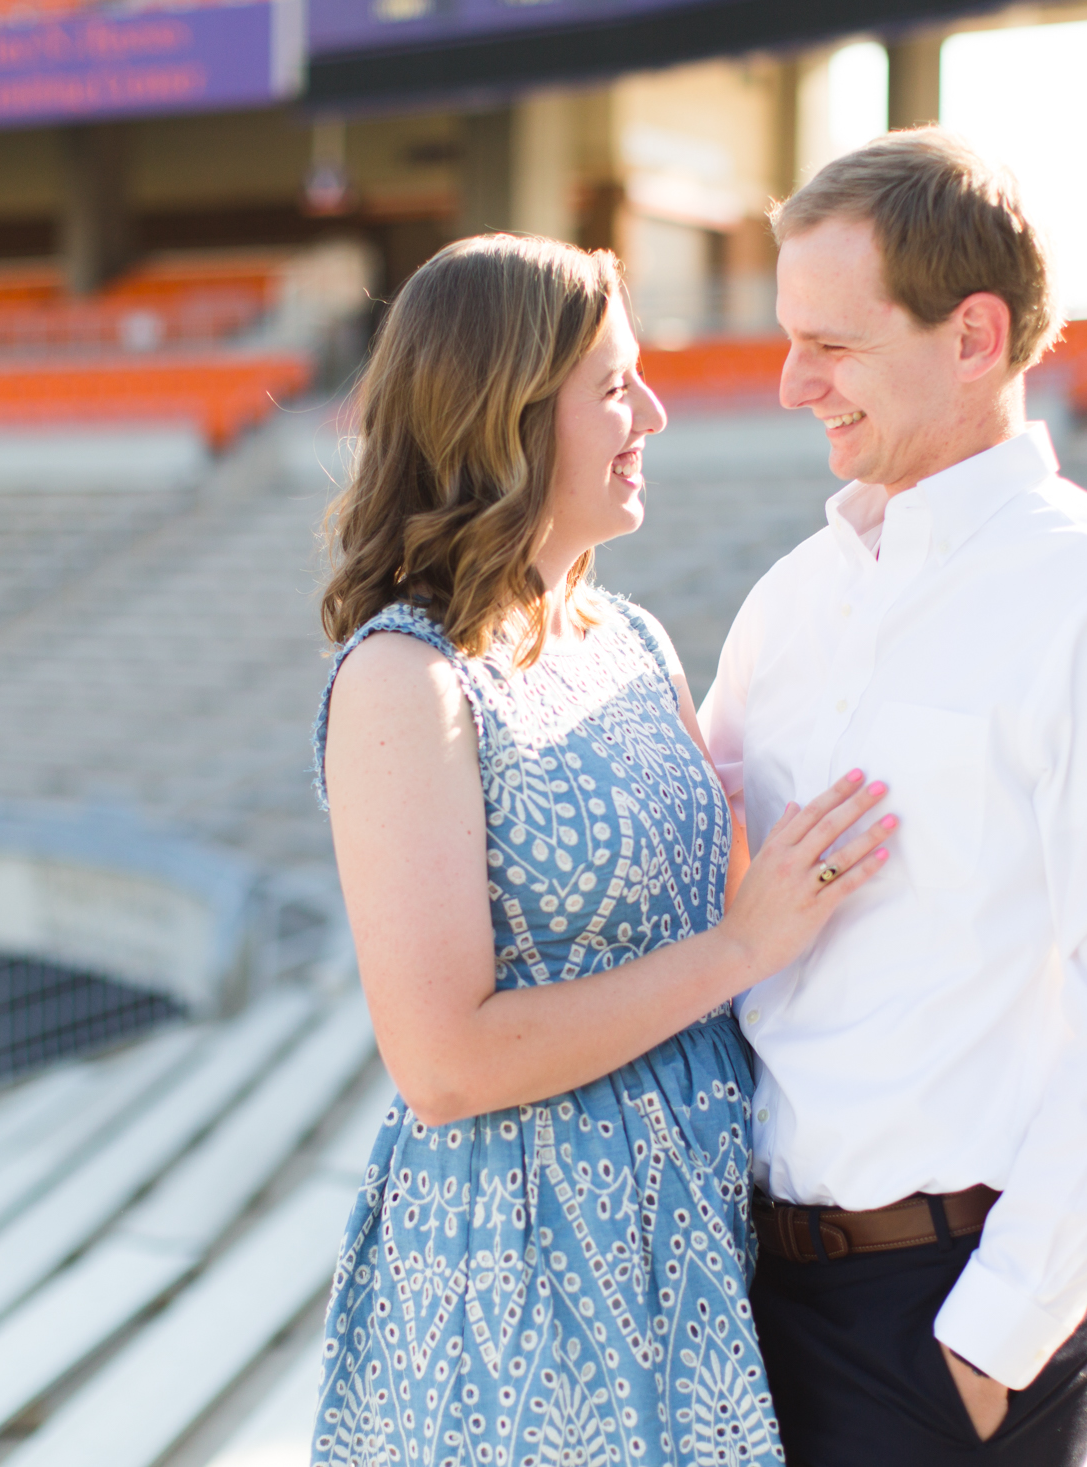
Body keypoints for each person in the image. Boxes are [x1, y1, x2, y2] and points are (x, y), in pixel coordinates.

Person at [310, 233, 897, 1466]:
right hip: (524, 1281)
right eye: (612, 387)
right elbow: (444, 1061)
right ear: (503, 416)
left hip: (698, 1243)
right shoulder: (405, 683)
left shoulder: (633, 639)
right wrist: (743, 941)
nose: (654, 415)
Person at [699, 129, 1087, 1466]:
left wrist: (985, 1345)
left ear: (974, 335)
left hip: (942, 1318)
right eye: (787, 338)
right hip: (758, 1289)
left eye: (831, 343)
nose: (789, 382)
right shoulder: (792, 598)